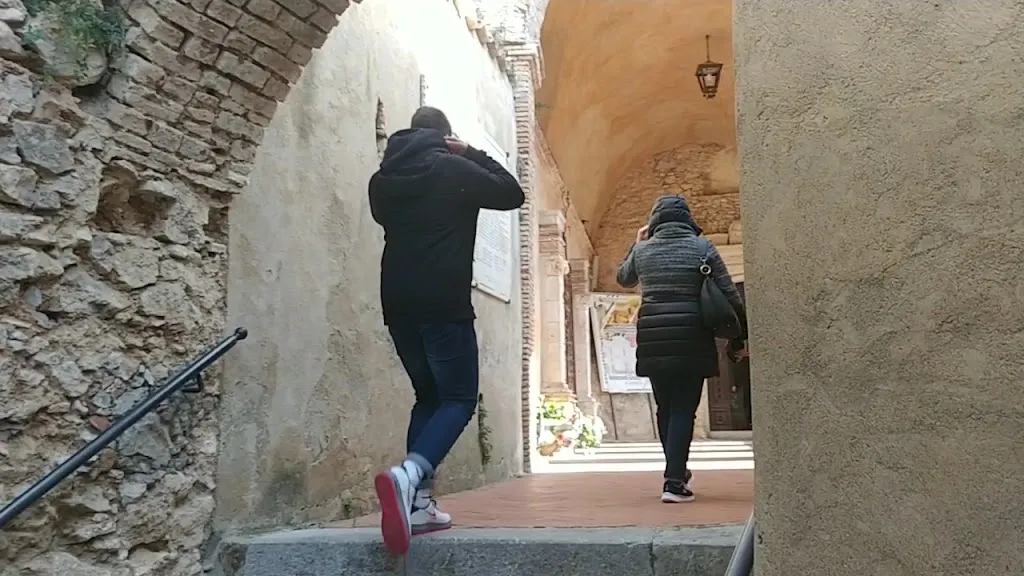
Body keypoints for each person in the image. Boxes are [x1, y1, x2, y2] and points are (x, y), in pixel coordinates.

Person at [368, 106, 525, 555]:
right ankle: (410, 473)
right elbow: (512, 193)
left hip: (396, 302)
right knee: (457, 398)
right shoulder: (453, 169)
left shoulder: (382, 182)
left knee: (429, 397)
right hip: (443, 299)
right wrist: (471, 152)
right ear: (445, 136)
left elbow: (387, 221)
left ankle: (418, 506)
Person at [616, 195, 747, 503]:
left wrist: (636, 243)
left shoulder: (644, 250)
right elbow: (729, 294)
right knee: (684, 410)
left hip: (654, 339)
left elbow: (623, 279)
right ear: (688, 219)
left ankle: (675, 471)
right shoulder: (702, 248)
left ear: (655, 221)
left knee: (666, 407)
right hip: (692, 337)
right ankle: (674, 480)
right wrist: (740, 337)